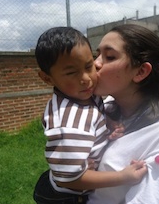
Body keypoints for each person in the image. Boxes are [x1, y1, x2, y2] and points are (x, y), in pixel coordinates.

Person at [33, 26, 147, 204]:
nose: (86, 78)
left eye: (88, 66)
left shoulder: (87, 94)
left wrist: (106, 121)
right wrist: (122, 177)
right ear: (47, 78)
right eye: (71, 72)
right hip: (69, 197)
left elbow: (94, 113)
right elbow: (70, 179)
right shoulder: (68, 122)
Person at [87, 24, 159, 204]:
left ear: (141, 71)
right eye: (96, 55)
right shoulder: (105, 109)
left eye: (110, 56)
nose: (95, 63)